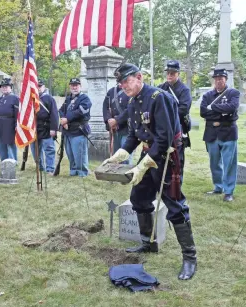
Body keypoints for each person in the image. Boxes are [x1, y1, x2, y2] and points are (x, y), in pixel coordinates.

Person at [103, 63, 196, 280]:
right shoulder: (133, 101)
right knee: (139, 198)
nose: (123, 86)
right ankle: (148, 243)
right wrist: (121, 154)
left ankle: (190, 258)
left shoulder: (158, 97)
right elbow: (135, 135)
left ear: (138, 77)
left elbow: (163, 138)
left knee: (175, 206)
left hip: (166, 158)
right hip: (148, 155)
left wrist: (143, 165)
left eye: (126, 80)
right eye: (121, 83)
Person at [200, 68, 240, 202]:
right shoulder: (207, 96)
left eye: (221, 78)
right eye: (216, 79)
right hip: (211, 133)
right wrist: (223, 113)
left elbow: (232, 108)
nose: (218, 81)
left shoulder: (233, 93)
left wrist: (213, 108)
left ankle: (229, 191)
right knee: (214, 163)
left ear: (225, 79)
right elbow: (203, 112)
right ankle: (218, 187)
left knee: (229, 163)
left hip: (228, 132)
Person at [158, 60, 192, 176]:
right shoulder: (161, 88)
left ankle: (177, 187)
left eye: (172, 73)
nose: (169, 75)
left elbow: (183, 109)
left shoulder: (184, 90)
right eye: (168, 73)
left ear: (178, 74)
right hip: (163, 129)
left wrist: (164, 115)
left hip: (177, 129)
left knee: (177, 161)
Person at [58, 78, 92, 177]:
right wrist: (63, 120)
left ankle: (82, 173)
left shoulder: (85, 98)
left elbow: (81, 111)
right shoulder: (68, 98)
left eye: (76, 85)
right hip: (68, 130)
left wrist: (67, 119)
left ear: (80, 86)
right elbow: (61, 110)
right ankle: (73, 171)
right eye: (72, 85)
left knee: (79, 154)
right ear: (70, 86)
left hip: (78, 130)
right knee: (70, 153)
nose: (74, 87)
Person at [30, 80, 58, 173]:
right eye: (36, 86)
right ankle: (40, 166)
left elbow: (54, 115)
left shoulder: (49, 99)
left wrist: (53, 128)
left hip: (46, 127)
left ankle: (50, 168)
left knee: (49, 149)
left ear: (43, 87)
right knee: (35, 149)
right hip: (34, 127)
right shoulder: (31, 98)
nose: (38, 88)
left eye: (39, 86)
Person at [0, 78, 19, 162]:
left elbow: (18, 114)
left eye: (6, 86)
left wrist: (16, 125)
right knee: (1, 145)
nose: (4, 88)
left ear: (10, 88)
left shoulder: (15, 99)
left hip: (9, 125)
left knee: (10, 144)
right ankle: (4, 161)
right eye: (2, 87)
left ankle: (13, 161)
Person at [102, 84, 131, 164]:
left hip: (127, 129)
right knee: (115, 155)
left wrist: (117, 120)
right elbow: (105, 107)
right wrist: (109, 120)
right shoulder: (111, 92)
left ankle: (125, 175)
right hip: (115, 129)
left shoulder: (130, 91)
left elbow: (130, 109)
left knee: (125, 155)